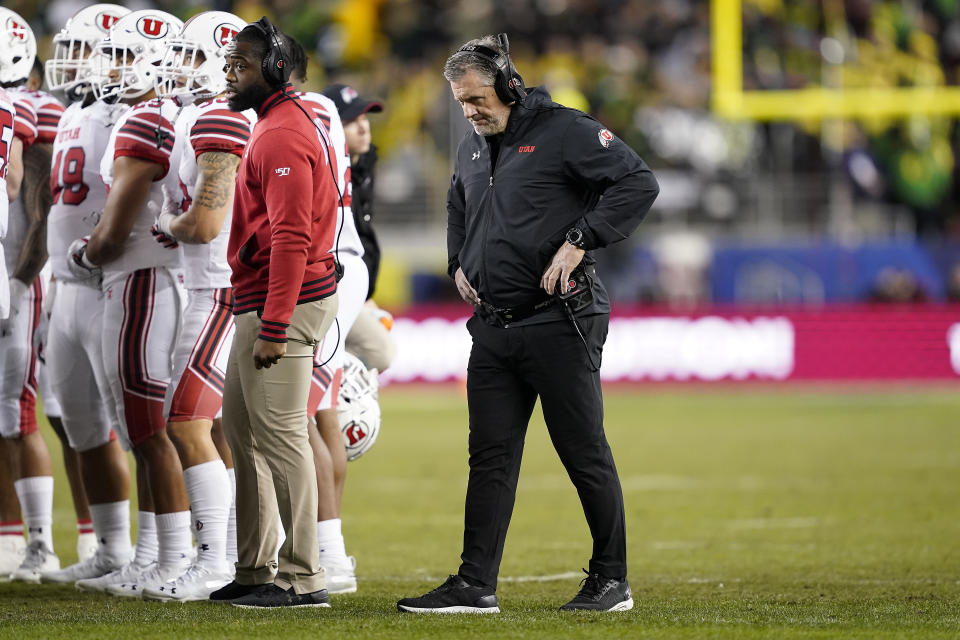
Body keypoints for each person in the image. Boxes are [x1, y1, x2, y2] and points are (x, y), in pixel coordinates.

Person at [397, 34, 658, 614]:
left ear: (511, 86)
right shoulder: (471, 145)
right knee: (489, 456)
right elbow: (458, 205)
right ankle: (474, 583)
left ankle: (611, 581)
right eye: (461, 102)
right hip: (493, 325)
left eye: (477, 100)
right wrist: (458, 260)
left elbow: (638, 183)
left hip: (560, 319)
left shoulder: (566, 130)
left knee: (581, 450)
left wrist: (579, 240)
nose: (469, 112)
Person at [209, 18, 339, 609]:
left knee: (283, 435)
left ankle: (303, 577)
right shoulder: (274, 124)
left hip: (283, 301)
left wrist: (277, 326)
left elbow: (291, 238)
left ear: (278, 69)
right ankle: (256, 568)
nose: (231, 72)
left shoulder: (282, 134)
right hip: (264, 297)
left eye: (242, 63)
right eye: (229, 62)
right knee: (241, 427)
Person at [67, 8, 191, 597]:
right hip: (148, 276)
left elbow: (115, 232)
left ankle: (173, 557)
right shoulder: (159, 114)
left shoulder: (148, 118)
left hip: (143, 276)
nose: (106, 65)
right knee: (142, 427)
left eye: (120, 54)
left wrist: (83, 256)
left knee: (150, 427)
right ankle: (153, 552)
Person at [139, 10, 252, 603]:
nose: (177, 67)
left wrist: (165, 221)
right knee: (212, 427)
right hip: (213, 285)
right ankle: (231, 559)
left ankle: (212, 563)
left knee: (184, 421)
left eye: (189, 54)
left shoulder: (219, 116)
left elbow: (206, 223)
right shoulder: (210, 115)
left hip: (220, 287)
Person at [36, 3, 136, 587]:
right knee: (80, 426)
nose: (72, 60)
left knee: (138, 429)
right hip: (68, 286)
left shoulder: (137, 116)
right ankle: (111, 547)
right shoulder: (78, 112)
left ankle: (163, 549)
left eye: (90, 49)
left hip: (110, 281)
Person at [286, 49, 364, 595]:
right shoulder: (314, 108)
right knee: (313, 412)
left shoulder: (299, 112)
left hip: (323, 266)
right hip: (329, 262)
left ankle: (330, 554)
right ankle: (322, 550)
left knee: (304, 413)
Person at [0, 8, 62, 582]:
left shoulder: (33, 110)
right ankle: (10, 537)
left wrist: (21, 277)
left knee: (21, 413)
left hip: (18, 277)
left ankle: (40, 542)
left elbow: (38, 204)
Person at [320, 83, 396, 373]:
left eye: (364, 119)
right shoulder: (324, 172)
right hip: (327, 288)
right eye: (351, 122)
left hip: (352, 289)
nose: (363, 128)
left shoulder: (363, 165)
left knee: (375, 355)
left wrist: (364, 297)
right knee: (378, 352)